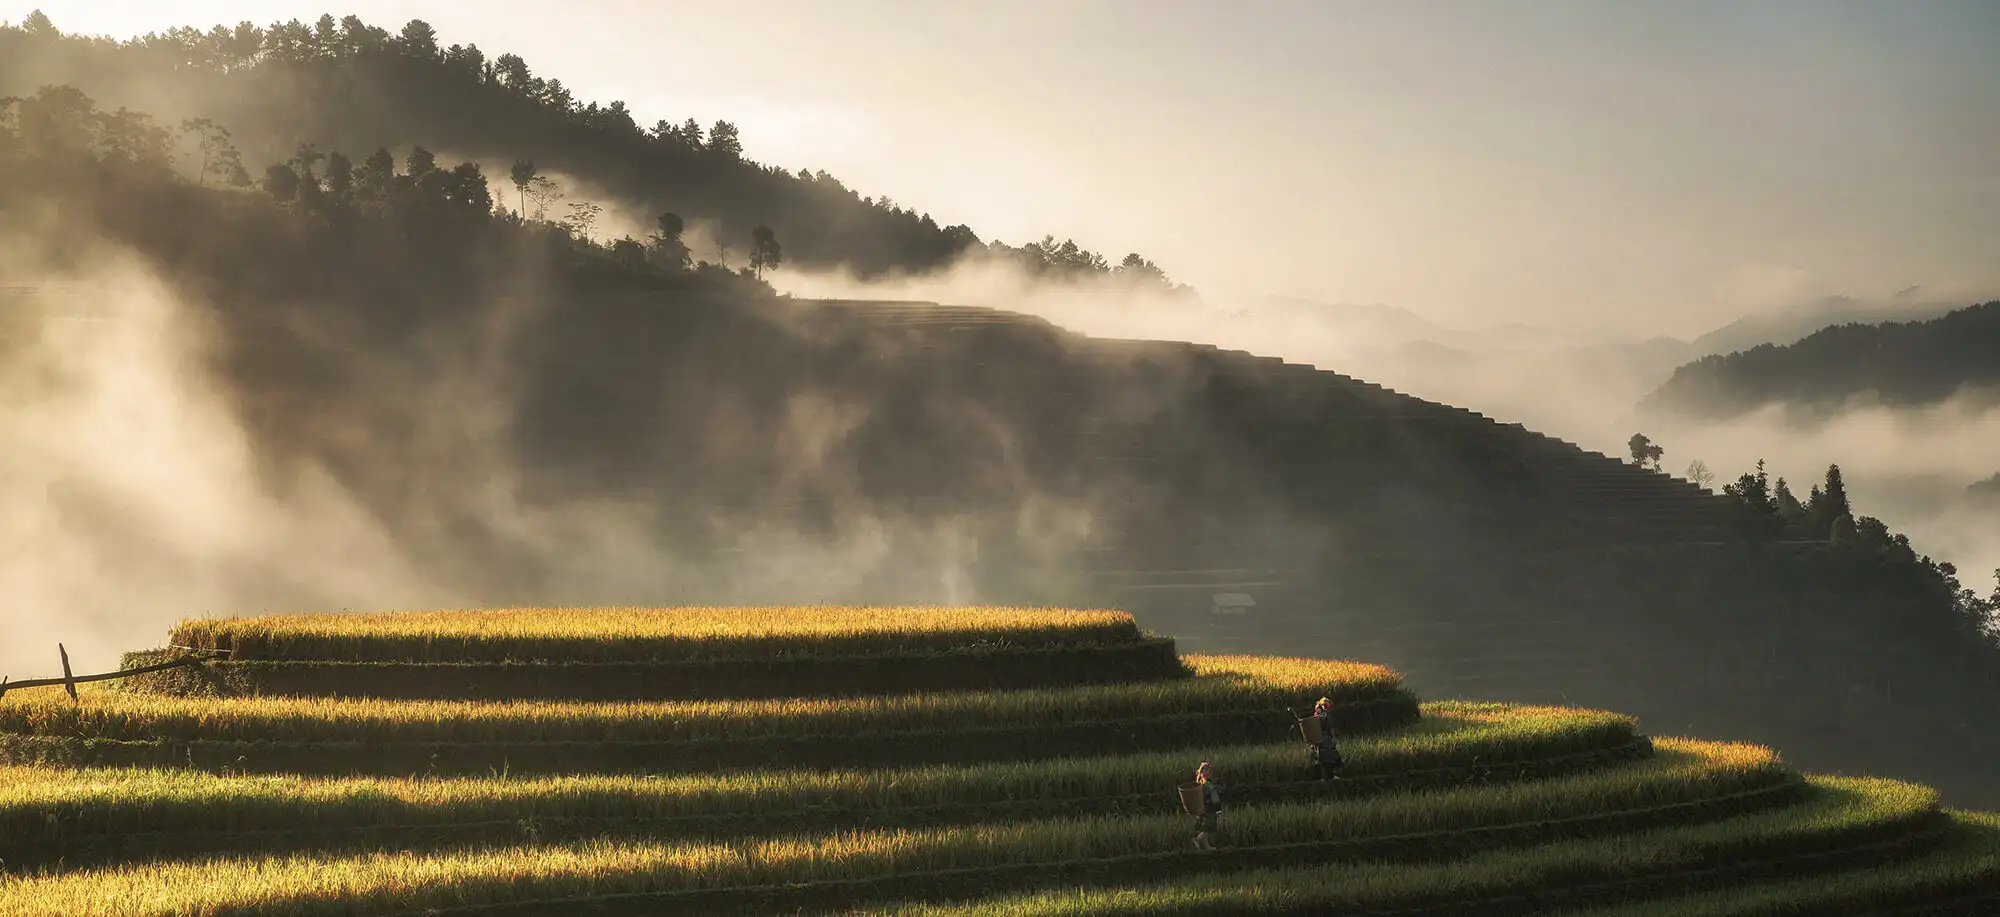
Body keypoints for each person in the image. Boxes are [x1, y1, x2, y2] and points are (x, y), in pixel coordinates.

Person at [1307, 696, 1344, 780]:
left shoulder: (1316, 715)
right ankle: (1328, 776)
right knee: (1328, 758)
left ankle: (1319, 777)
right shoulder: (1325, 715)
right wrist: (1333, 737)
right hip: (1324, 740)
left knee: (1319, 758)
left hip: (1316, 740)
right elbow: (1330, 728)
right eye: (1325, 705)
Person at [1191, 761, 1223, 850]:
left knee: (1205, 827)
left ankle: (1206, 846)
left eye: (1208, 771)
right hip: (1210, 808)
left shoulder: (1202, 784)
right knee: (1208, 828)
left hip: (1203, 808)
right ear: (1202, 772)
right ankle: (1197, 839)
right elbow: (1214, 798)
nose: (1207, 772)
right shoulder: (1208, 785)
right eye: (1205, 770)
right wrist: (1218, 809)